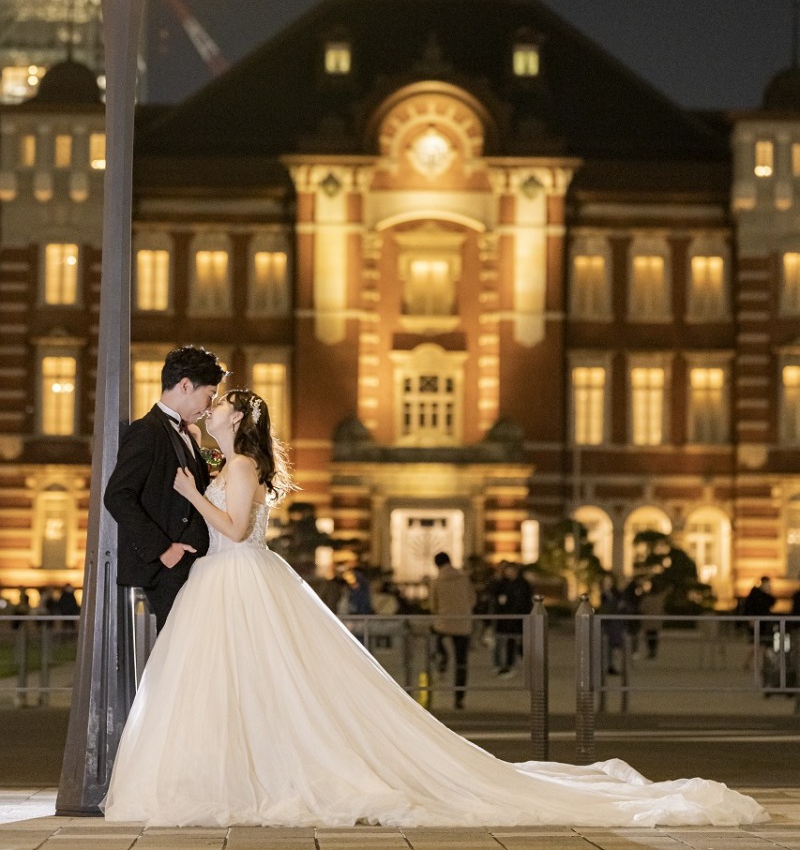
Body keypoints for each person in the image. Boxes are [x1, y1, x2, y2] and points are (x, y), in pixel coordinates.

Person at [104, 388, 766, 829]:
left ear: (240, 421)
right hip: (226, 584)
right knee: (249, 688)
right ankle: (239, 776)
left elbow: (238, 523)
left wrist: (193, 496)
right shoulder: (228, 455)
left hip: (238, 577)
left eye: (220, 405)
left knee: (271, 688)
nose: (211, 408)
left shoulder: (240, 465)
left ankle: (251, 777)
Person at [104, 345, 227, 631]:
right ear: (185, 385)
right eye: (209, 395)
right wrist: (163, 550)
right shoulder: (147, 431)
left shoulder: (183, 432)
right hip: (169, 568)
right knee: (180, 650)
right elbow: (117, 495)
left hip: (190, 566)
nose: (209, 406)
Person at [429, 550, 476, 709]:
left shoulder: (437, 581)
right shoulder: (463, 578)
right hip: (463, 624)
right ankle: (459, 697)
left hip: (444, 623)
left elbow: (432, 605)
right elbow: (472, 599)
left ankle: (442, 657)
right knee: (462, 662)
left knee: (434, 635)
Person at [491, 561, 533, 675]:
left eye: (511, 571)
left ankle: (514, 665)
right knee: (507, 642)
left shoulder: (522, 584)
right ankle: (504, 665)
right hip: (504, 618)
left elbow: (524, 602)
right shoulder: (502, 583)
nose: (508, 573)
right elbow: (494, 596)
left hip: (518, 618)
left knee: (517, 642)